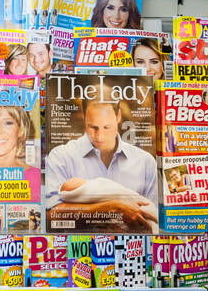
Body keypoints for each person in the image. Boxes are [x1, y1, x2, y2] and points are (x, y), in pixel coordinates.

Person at [43, 98, 158, 230]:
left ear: (118, 116)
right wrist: (112, 208)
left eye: (106, 127)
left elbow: (154, 217)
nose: (100, 136)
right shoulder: (61, 157)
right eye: (93, 127)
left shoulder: (145, 162)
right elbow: (49, 216)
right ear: (85, 118)